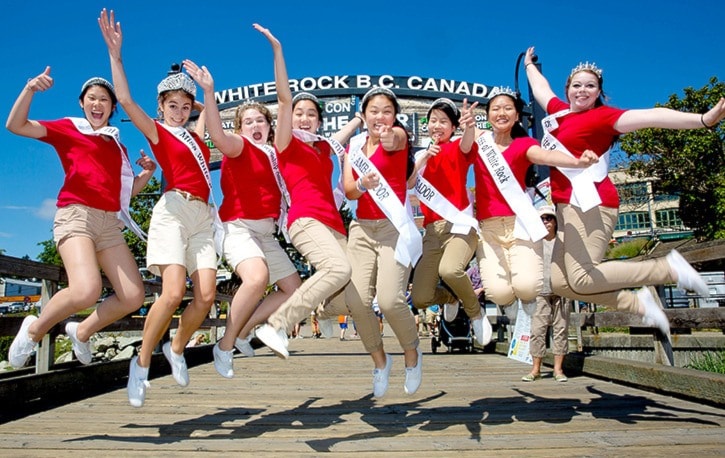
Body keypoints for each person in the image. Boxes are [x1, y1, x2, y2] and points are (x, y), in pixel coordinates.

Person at [524, 47, 725, 336]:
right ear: (568, 88)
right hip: (564, 206)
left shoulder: (605, 118)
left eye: (590, 86)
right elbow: (542, 89)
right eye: (577, 85)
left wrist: (703, 120)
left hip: (591, 203)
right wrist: (529, 65)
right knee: (558, 282)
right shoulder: (559, 113)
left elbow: (653, 116)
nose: (582, 91)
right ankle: (638, 302)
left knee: (581, 280)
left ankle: (667, 269)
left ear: (598, 92)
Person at [100, 9, 218, 407]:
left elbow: (207, 118)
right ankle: (142, 361)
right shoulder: (159, 132)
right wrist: (116, 56)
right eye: (173, 105)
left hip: (203, 216)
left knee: (205, 297)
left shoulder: (198, 137)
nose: (180, 112)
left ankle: (177, 347)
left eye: (186, 106)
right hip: (174, 210)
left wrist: (204, 93)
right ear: (162, 106)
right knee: (170, 294)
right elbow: (128, 100)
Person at [6, 69, 154, 369]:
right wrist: (30, 89)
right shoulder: (70, 129)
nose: (98, 104)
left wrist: (147, 174)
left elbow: (124, 194)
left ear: (113, 108)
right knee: (86, 290)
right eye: (92, 99)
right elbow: (15, 125)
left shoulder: (117, 146)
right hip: (76, 215)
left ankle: (82, 331)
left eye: (104, 100)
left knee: (134, 296)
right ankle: (33, 329)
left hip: (110, 224)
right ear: (82, 103)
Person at [182, 60, 302, 378]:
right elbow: (219, 137)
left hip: (265, 232)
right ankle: (225, 345)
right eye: (248, 121)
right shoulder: (238, 146)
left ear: (269, 125)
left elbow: (288, 108)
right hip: (237, 227)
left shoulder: (274, 152)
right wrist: (209, 91)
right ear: (241, 129)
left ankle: (245, 330)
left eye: (260, 120)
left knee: (293, 288)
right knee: (256, 278)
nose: (255, 125)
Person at [250, 24, 361, 358]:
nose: (304, 118)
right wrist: (278, 51)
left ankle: (319, 311)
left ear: (318, 121)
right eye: (300, 113)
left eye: (311, 114)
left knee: (354, 294)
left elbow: (339, 137)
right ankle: (276, 325)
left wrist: (360, 119)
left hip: (334, 224)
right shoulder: (285, 144)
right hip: (305, 219)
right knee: (338, 270)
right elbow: (284, 100)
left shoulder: (322, 148)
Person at [472, 86, 599, 318]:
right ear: (487, 115)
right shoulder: (478, 141)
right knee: (497, 292)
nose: (502, 113)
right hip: (488, 229)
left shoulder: (523, 145)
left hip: (520, 224)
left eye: (508, 108)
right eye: (496, 108)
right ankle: (508, 301)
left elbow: (547, 156)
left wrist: (577, 161)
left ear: (517, 115)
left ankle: (526, 296)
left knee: (528, 286)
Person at [343, 86, 423, 397]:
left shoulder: (399, 138)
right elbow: (349, 191)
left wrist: (389, 135)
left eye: (386, 111)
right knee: (357, 301)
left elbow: (394, 139)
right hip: (362, 229)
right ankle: (380, 360)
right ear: (362, 116)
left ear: (395, 116)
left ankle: (412, 353)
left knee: (390, 300)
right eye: (373, 111)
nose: (380, 116)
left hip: (393, 228)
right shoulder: (355, 147)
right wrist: (362, 183)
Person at [410, 97, 492, 347]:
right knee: (420, 297)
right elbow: (408, 184)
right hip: (431, 232)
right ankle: (451, 298)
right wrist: (422, 160)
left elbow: (467, 146)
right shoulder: (420, 156)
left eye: (443, 121)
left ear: (453, 126)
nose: (437, 125)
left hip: (459, 226)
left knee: (450, 270)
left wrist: (469, 126)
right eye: (433, 120)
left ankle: (475, 311)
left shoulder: (457, 146)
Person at [523, 205, 571, 382]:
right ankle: (536, 369)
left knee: (561, 330)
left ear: (555, 221)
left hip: (562, 291)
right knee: (537, 330)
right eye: (542, 218)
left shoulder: (563, 241)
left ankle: (558, 370)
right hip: (540, 291)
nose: (545, 222)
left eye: (549, 218)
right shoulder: (533, 243)